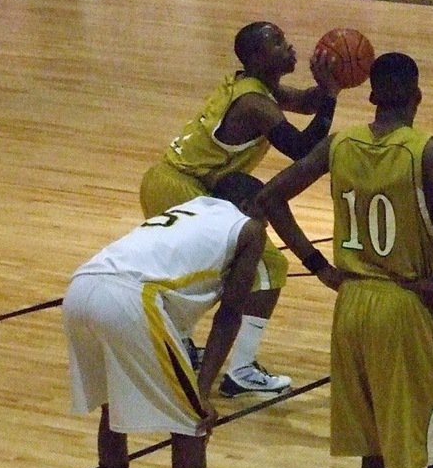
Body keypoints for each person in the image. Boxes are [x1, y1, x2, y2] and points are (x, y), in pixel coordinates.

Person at [255, 52, 433, 468]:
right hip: (403, 305)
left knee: (373, 449)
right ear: (417, 96)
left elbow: (269, 197)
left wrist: (317, 266)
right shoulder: (431, 151)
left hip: (350, 305)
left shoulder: (340, 144)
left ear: (372, 95)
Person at [63, 172, 276, 468]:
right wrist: (203, 389)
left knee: (113, 409)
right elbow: (230, 313)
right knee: (191, 421)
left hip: (81, 287)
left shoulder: (191, 210)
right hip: (130, 298)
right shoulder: (247, 228)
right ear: (253, 206)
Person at [140, 21, 346, 397]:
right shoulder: (254, 105)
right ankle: (241, 370)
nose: (289, 47)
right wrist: (331, 96)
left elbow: (303, 101)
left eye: (285, 38)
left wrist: (334, 81)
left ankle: (180, 341)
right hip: (180, 188)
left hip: (170, 181)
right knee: (267, 266)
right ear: (255, 57)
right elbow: (302, 150)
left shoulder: (256, 88)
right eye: (278, 43)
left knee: (202, 271)